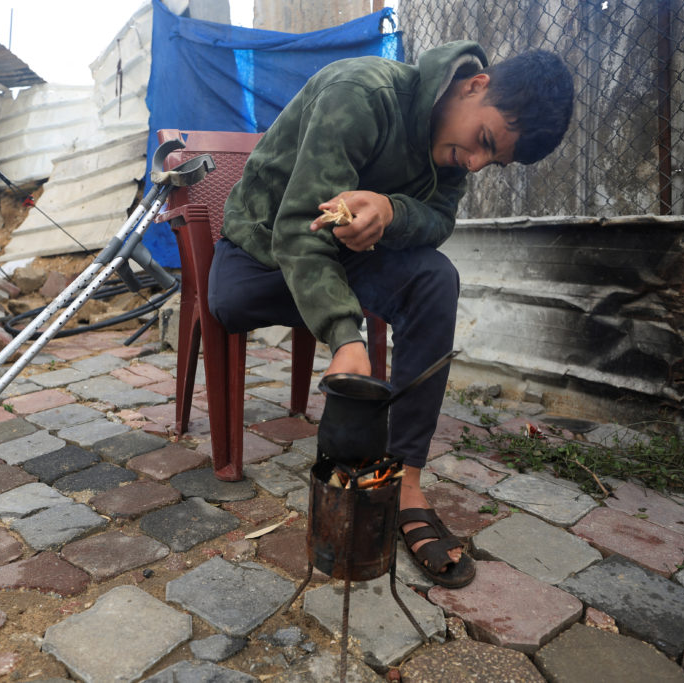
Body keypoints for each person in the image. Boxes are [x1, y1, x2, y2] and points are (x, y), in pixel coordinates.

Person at [208, 41, 574, 588]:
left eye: (490, 161)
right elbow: (294, 229)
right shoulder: (361, 94)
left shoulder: (453, 154)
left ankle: (405, 484)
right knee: (229, 303)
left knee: (435, 279)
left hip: (346, 256)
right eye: (484, 142)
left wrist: (390, 209)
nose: (474, 163)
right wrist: (344, 336)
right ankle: (337, 327)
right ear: (476, 85)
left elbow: (438, 222)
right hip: (261, 247)